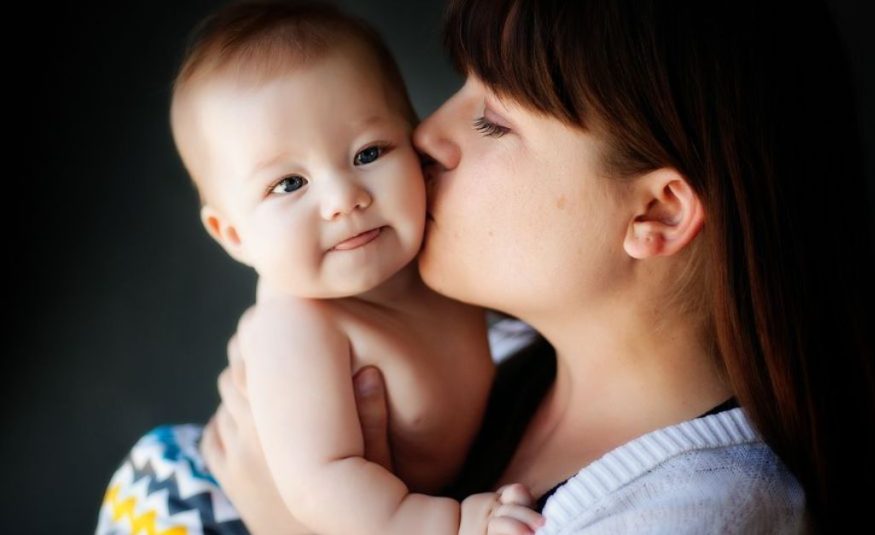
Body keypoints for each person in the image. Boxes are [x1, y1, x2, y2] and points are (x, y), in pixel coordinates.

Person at [106, 0, 875, 533]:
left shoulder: (700, 511)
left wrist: (285, 520)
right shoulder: (504, 362)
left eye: (492, 119)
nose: (425, 136)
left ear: (656, 212)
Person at [96, 1, 546, 534]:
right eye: (289, 184)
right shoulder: (299, 327)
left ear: (415, 144)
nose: (343, 198)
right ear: (234, 234)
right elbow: (323, 487)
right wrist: (450, 525)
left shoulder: (451, 265)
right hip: (206, 509)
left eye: (369, 153)